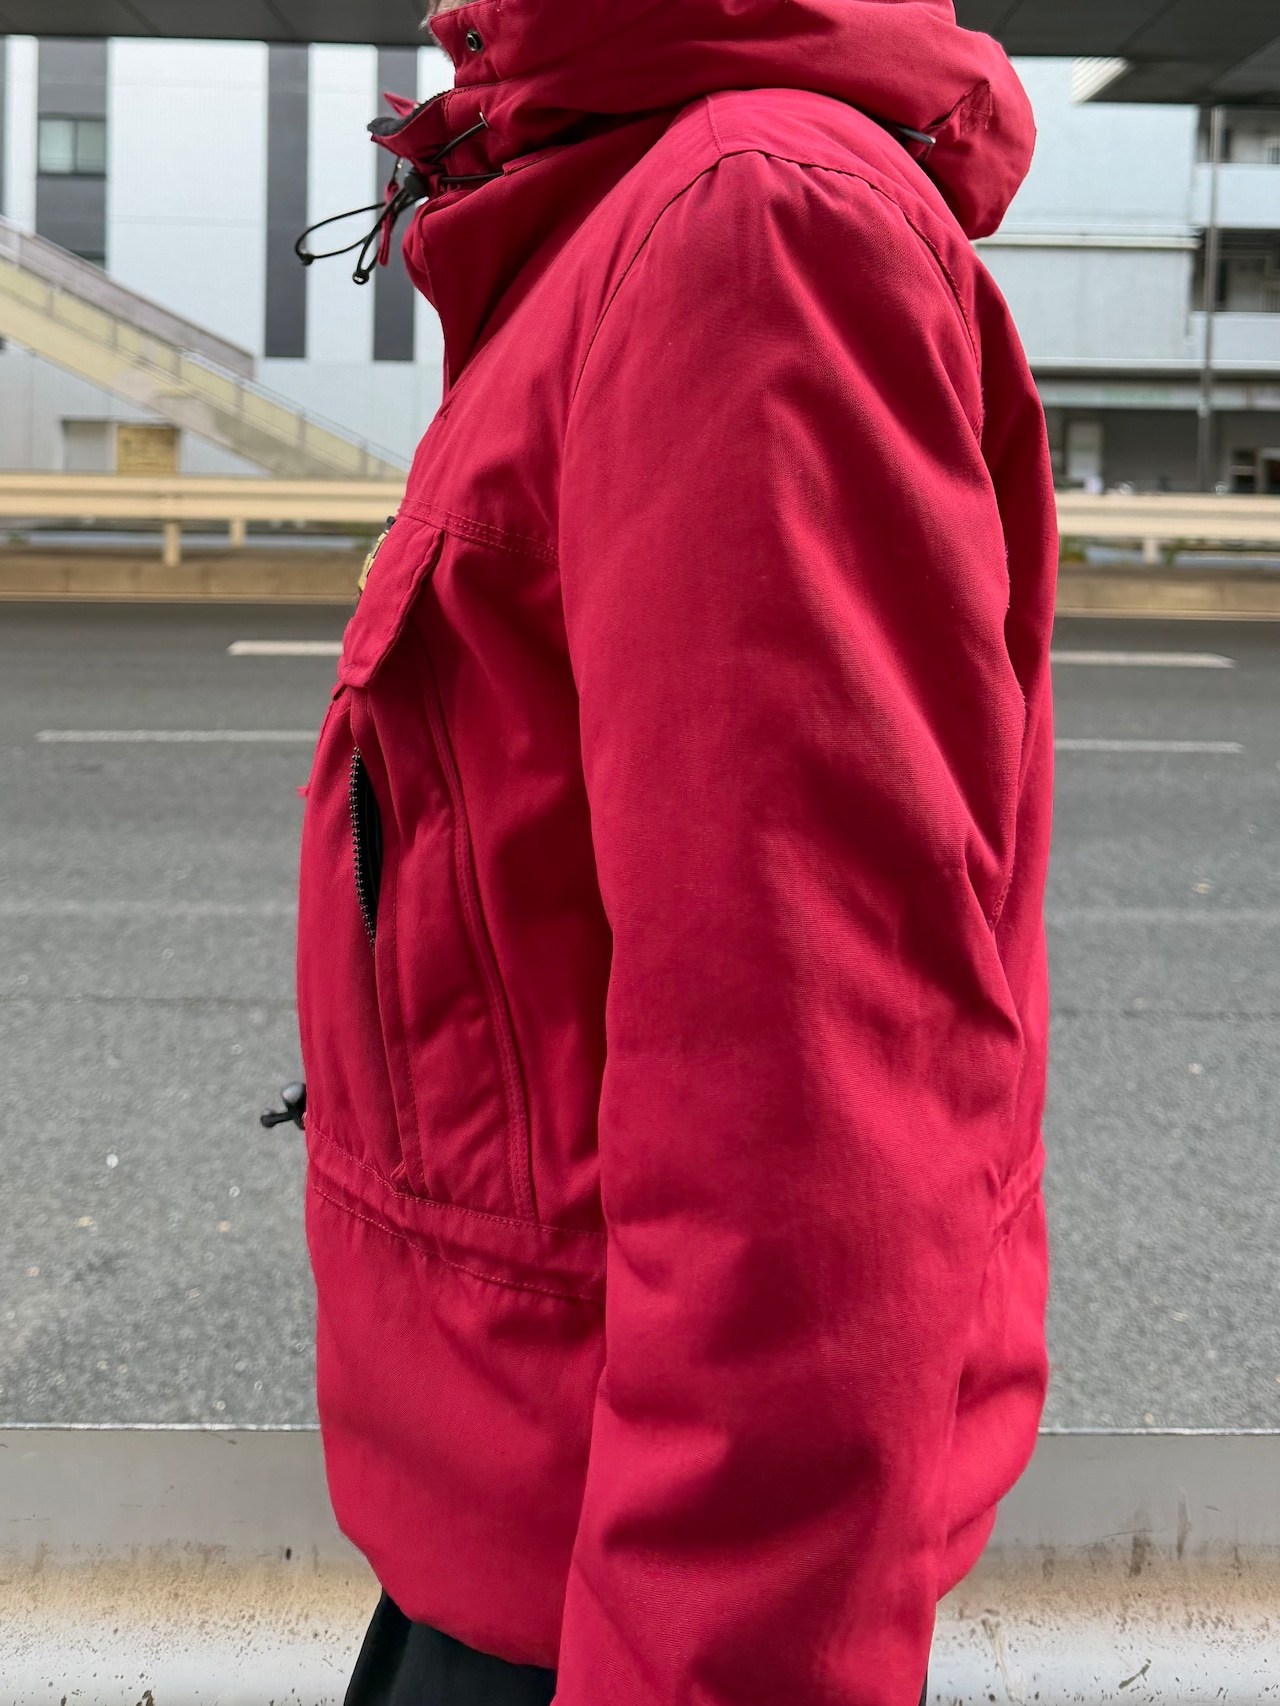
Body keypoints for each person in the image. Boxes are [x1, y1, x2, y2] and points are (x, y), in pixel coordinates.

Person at [294, 0, 1057, 1700]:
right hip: (544, 1517)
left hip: (628, 1579)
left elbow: (810, 1122)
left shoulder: (749, 227)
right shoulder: (637, 203)